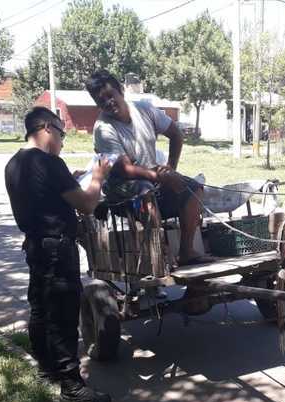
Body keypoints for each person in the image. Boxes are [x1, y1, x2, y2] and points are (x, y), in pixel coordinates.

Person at [4, 106, 113, 402]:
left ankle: (47, 369)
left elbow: (45, 194)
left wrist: (69, 178)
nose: (63, 141)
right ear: (47, 128)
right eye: (62, 134)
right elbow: (87, 204)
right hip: (57, 249)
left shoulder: (15, 163)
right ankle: (72, 386)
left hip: (36, 246)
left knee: (41, 309)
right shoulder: (50, 163)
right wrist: (98, 177)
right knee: (63, 316)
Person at [85, 69, 211, 266]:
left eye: (111, 95)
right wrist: (160, 177)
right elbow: (125, 170)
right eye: (101, 101)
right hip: (122, 186)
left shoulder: (144, 109)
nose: (108, 102)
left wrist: (170, 169)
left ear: (121, 90)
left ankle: (186, 251)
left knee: (193, 189)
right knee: (146, 192)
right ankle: (159, 257)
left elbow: (176, 135)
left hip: (151, 176)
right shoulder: (103, 129)